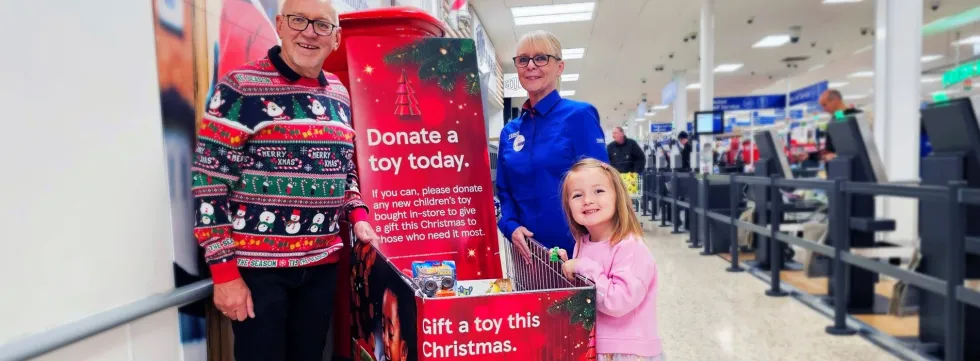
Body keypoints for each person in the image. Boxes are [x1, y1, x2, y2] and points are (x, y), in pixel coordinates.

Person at [191, 1, 380, 360]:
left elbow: (343, 168)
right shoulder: (239, 88)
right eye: (298, 20)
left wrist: (358, 215)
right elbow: (208, 184)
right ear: (280, 24)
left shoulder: (339, 92)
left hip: (322, 267)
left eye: (322, 26)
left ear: (336, 38)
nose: (309, 32)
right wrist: (224, 274)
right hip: (258, 275)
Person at [496, 30, 608, 260]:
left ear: (559, 67)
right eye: (523, 59)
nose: (530, 66)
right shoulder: (510, 132)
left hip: (576, 253)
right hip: (526, 254)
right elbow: (504, 192)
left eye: (541, 58)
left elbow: (602, 187)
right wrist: (510, 227)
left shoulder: (579, 116)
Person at [556, 158, 663, 361]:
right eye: (577, 195)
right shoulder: (582, 243)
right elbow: (588, 294)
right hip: (593, 346)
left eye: (598, 191)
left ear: (618, 197)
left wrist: (582, 266)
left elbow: (617, 302)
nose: (588, 200)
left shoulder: (630, 247)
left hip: (628, 352)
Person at [813, 89, 863, 162]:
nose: (824, 109)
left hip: (858, 165)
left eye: (824, 105)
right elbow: (829, 148)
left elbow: (863, 146)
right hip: (841, 166)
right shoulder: (834, 121)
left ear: (835, 101)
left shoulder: (857, 116)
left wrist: (837, 155)